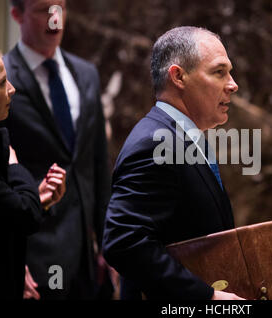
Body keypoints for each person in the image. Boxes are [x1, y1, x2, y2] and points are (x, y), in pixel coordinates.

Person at [102, 26, 244, 300]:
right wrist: (207, 297)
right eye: (219, 72)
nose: (233, 84)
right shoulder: (154, 144)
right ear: (179, 76)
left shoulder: (182, 137)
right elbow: (124, 242)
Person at [0, 0, 111, 299]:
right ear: (16, 15)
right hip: (33, 255)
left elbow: (97, 164)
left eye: (59, 8)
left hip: (87, 257)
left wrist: (111, 244)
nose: (54, 20)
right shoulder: (0, 79)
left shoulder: (87, 74)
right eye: (42, 10)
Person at [0, 44, 66, 299]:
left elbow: (2, 215)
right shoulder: (1, 153)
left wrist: (36, 198)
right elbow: (25, 215)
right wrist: (14, 164)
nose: (12, 89)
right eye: (1, 83)